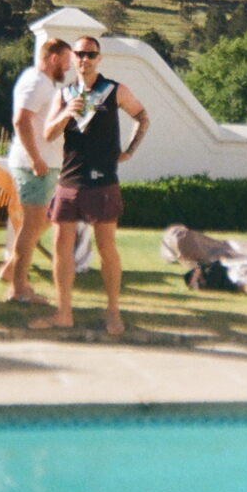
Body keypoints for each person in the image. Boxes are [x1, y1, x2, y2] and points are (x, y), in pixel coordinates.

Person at [29, 36, 150, 335]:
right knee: (61, 247)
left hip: (103, 181)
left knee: (106, 247)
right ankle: (63, 313)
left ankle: (113, 313)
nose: (84, 59)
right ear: (73, 57)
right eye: (79, 53)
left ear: (99, 58)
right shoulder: (64, 94)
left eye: (90, 54)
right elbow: (47, 135)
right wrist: (66, 113)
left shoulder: (115, 90)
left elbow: (143, 117)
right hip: (69, 180)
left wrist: (130, 150)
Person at [0, 38, 71, 305]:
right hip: (35, 166)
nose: (69, 66)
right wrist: (36, 158)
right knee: (31, 226)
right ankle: (19, 290)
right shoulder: (36, 82)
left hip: (44, 165)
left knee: (39, 223)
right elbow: (20, 120)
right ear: (53, 59)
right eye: (66, 60)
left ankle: (11, 272)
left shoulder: (43, 83)